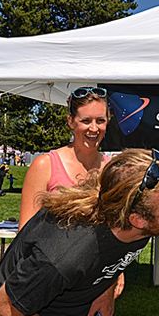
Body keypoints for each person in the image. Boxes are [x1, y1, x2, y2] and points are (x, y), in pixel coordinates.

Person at [0, 149, 159, 316]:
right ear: (138, 220)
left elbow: (112, 252)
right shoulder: (65, 256)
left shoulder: (131, 215)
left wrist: (106, 291)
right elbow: (4, 309)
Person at [19, 86, 110, 230]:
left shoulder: (111, 169)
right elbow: (25, 232)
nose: (94, 128)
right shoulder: (45, 165)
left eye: (100, 121)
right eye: (86, 121)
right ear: (71, 121)